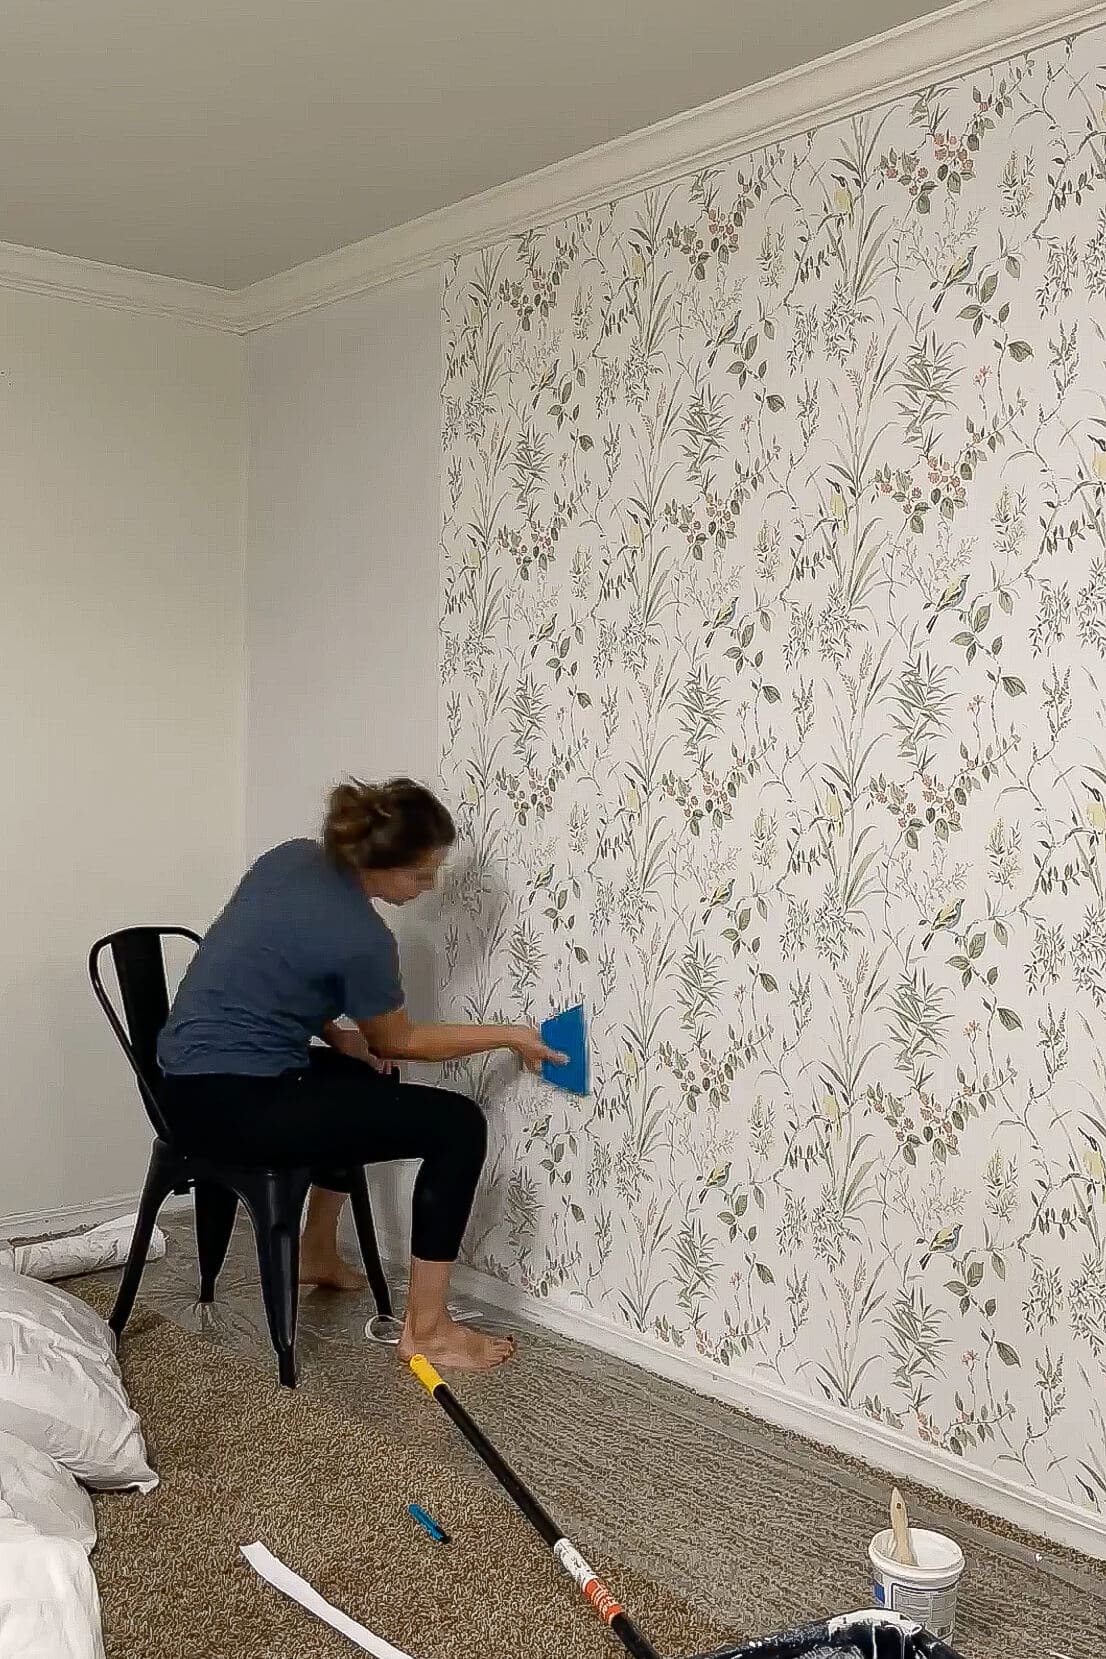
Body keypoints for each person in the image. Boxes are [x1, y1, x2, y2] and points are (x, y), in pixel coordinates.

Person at [156, 777, 564, 1371]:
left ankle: (317, 1249)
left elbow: (272, 965)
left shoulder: (290, 859)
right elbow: (401, 1039)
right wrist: (508, 1034)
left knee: (373, 1074)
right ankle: (428, 1329)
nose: (428, 888)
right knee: (457, 1125)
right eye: (421, 875)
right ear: (381, 863)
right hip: (237, 1107)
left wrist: (338, 1036)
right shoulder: (361, 938)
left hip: (182, 1086)